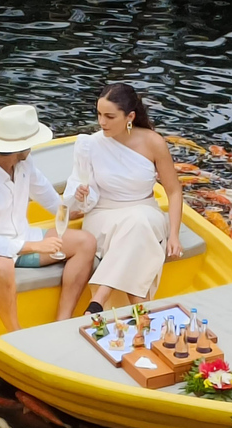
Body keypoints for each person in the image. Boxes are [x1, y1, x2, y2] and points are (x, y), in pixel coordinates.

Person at [0, 104, 97, 331]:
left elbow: (47, 195)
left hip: (22, 238)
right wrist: (35, 246)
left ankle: (63, 321)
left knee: (86, 242)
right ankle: (16, 333)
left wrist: (68, 210)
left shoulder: (24, 163)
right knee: (3, 264)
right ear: (18, 147)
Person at [62, 83, 183, 314]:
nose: (102, 122)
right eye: (98, 114)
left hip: (144, 211)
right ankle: (141, 309)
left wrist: (174, 235)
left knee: (138, 222)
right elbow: (77, 199)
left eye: (109, 116)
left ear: (130, 116)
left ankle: (99, 299)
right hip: (102, 215)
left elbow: (174, 191)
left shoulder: (153, 142)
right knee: (137, 230)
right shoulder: (90, 145)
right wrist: (81, 194)